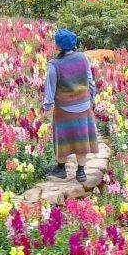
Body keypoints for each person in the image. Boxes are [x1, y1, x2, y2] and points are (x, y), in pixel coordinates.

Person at [43, 28, 100, 180]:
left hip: (64, 109)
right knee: (82, 139)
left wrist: (47, 107)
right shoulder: (83, 58)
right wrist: (90, 100)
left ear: (58, 46)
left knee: (63, 139)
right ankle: (81, 172)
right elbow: (90, 82)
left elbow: (50, 89)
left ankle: (61, 169)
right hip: (83, 106)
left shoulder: (54, 65)